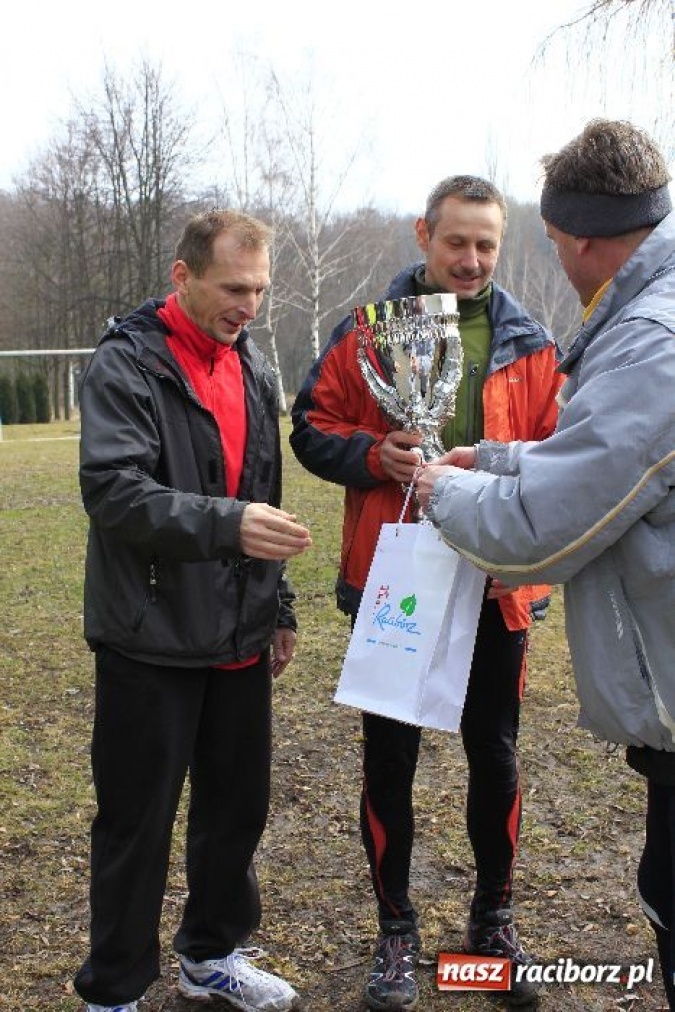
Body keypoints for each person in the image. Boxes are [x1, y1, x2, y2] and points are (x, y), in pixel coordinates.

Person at [415, 121, 675, 1009]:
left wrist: (437, 490)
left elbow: (540, 530)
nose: (556, 260)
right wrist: (486, 461)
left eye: (553, 243)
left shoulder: (652, 343)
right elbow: (600, 459)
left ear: (588, 237)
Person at [290, 176, 563, 1009]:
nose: (472, 259)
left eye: (486, 244)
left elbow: (560, 453)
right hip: (396, 580)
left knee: (497, 758)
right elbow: (309, 428)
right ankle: (395, 934)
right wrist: (378, 456)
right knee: (391, 763)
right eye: (456, 242)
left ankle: (493, 923)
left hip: (493, 589)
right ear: (423, 236)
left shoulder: (532, 342)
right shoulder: (365, 334)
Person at [75, 210, 312, 1012]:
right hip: (150, 634)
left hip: (240, 633)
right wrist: (226, 525)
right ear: (183, 277)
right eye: (233, 287)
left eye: (260, 290)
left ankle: (211, 955)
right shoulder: (126, 364)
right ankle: (113, 989)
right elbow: (113, 491)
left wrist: (276, 604)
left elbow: (261, 493)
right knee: (136, 825)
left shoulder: (253, 367)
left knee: (235, 809)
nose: (248, 305)